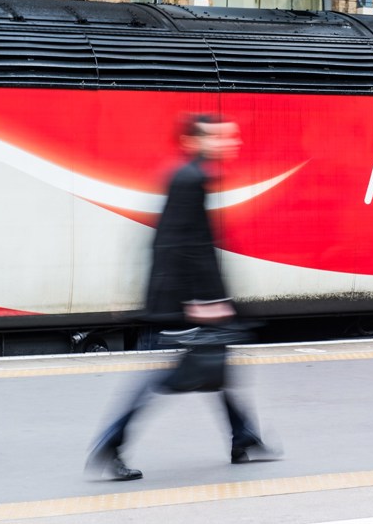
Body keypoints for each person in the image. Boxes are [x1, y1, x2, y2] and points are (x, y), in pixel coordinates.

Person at [85, 114, 275, 480]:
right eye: (219, 138)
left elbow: (185, 245)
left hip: (185, 296)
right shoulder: (190, 179)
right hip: (184, 301)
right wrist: (199, 301)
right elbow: (182, 246)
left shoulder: (192, 175)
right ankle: (111, 444)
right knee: (169, 376)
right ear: (194, 141)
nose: (229, 143)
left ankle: (243, 437)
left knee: (215, 363)